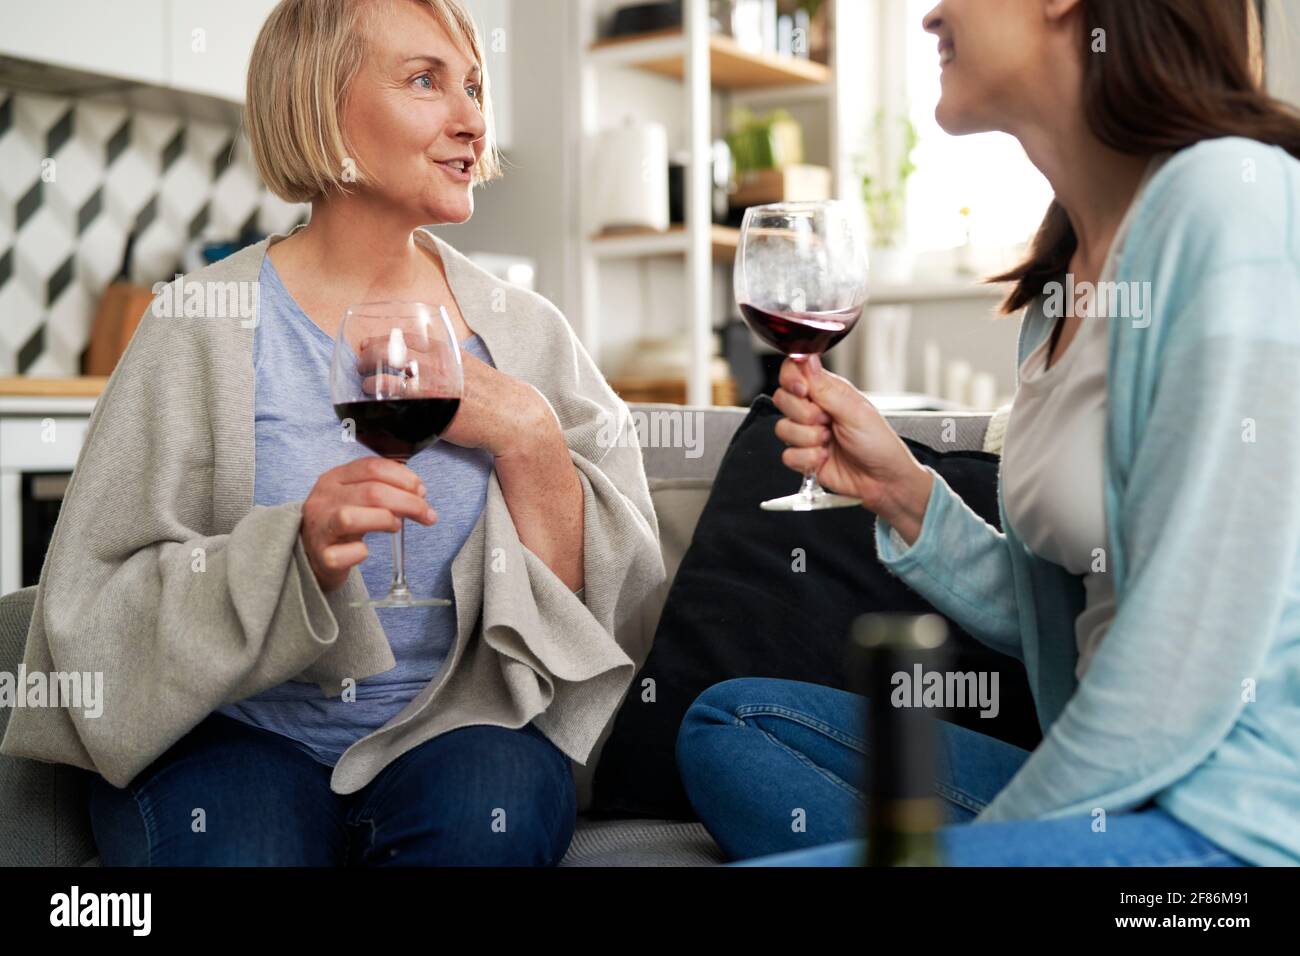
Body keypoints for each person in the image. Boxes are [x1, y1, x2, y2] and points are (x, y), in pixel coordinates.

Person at [0, 0, 664, 866]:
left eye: (472, 85)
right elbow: (89, 611)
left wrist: (531, 435)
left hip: (459, 732)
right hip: (231, 736)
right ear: (320, 104)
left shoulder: (530, 334)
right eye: (425, 82)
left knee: (483, 818)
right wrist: (292, 557)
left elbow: (609, 619)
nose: (472, 119)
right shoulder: (201, 322)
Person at [676, 0, 1300, 867]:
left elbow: (1183, 661)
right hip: (1110, 788)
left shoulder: (1229, 199)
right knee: (729, 724)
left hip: (1233, 825)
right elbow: (1061, 611)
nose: (929, 13)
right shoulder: (1059, 295)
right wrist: (903, 492)